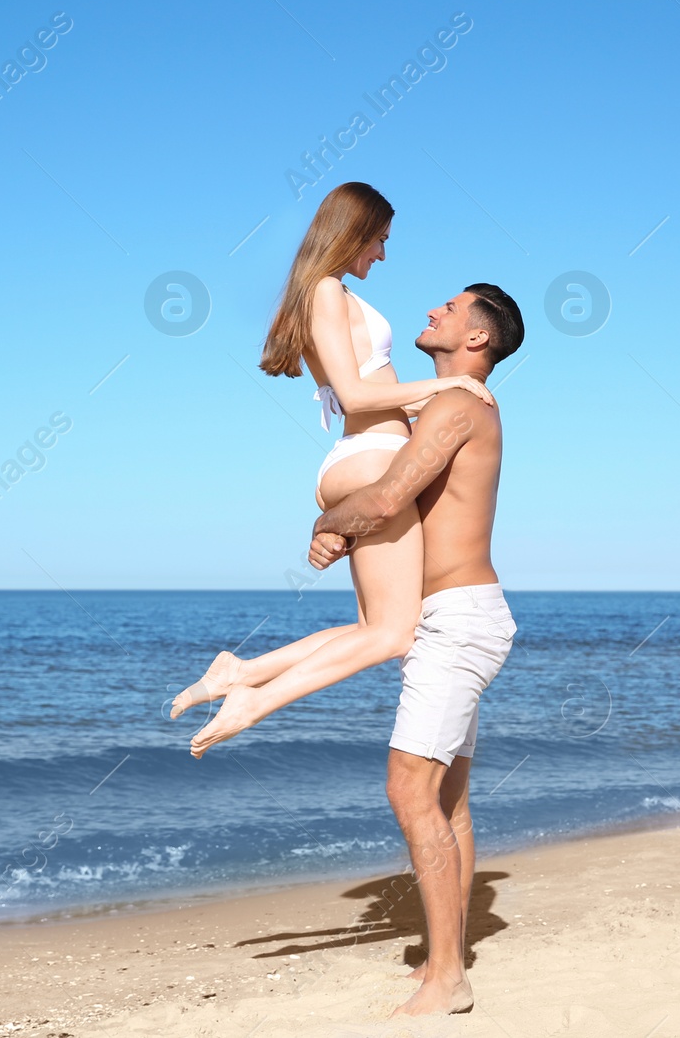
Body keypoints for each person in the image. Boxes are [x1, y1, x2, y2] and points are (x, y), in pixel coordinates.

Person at [205, 284, 526, 1017]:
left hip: (456, 620)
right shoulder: (442, 403)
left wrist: (328, 524)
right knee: (449, 798)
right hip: (459, 613)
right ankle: (447, 958)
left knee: (409, 790)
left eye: (451, 308)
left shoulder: (456, 405)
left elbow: (386, 496)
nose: (433, 311)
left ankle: (449, 976)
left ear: (477, 339)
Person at [169, 182, 492, 745]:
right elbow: (356, 394)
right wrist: (457, 384)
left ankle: (240, 673)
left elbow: (369, 389)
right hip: (370, 457)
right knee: (394, 636)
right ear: (356, 231)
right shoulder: (326, 291)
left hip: (358, 458)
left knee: (376, 629)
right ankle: (253, 702)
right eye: (380, 241)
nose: (383, 255)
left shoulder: (325, 293)